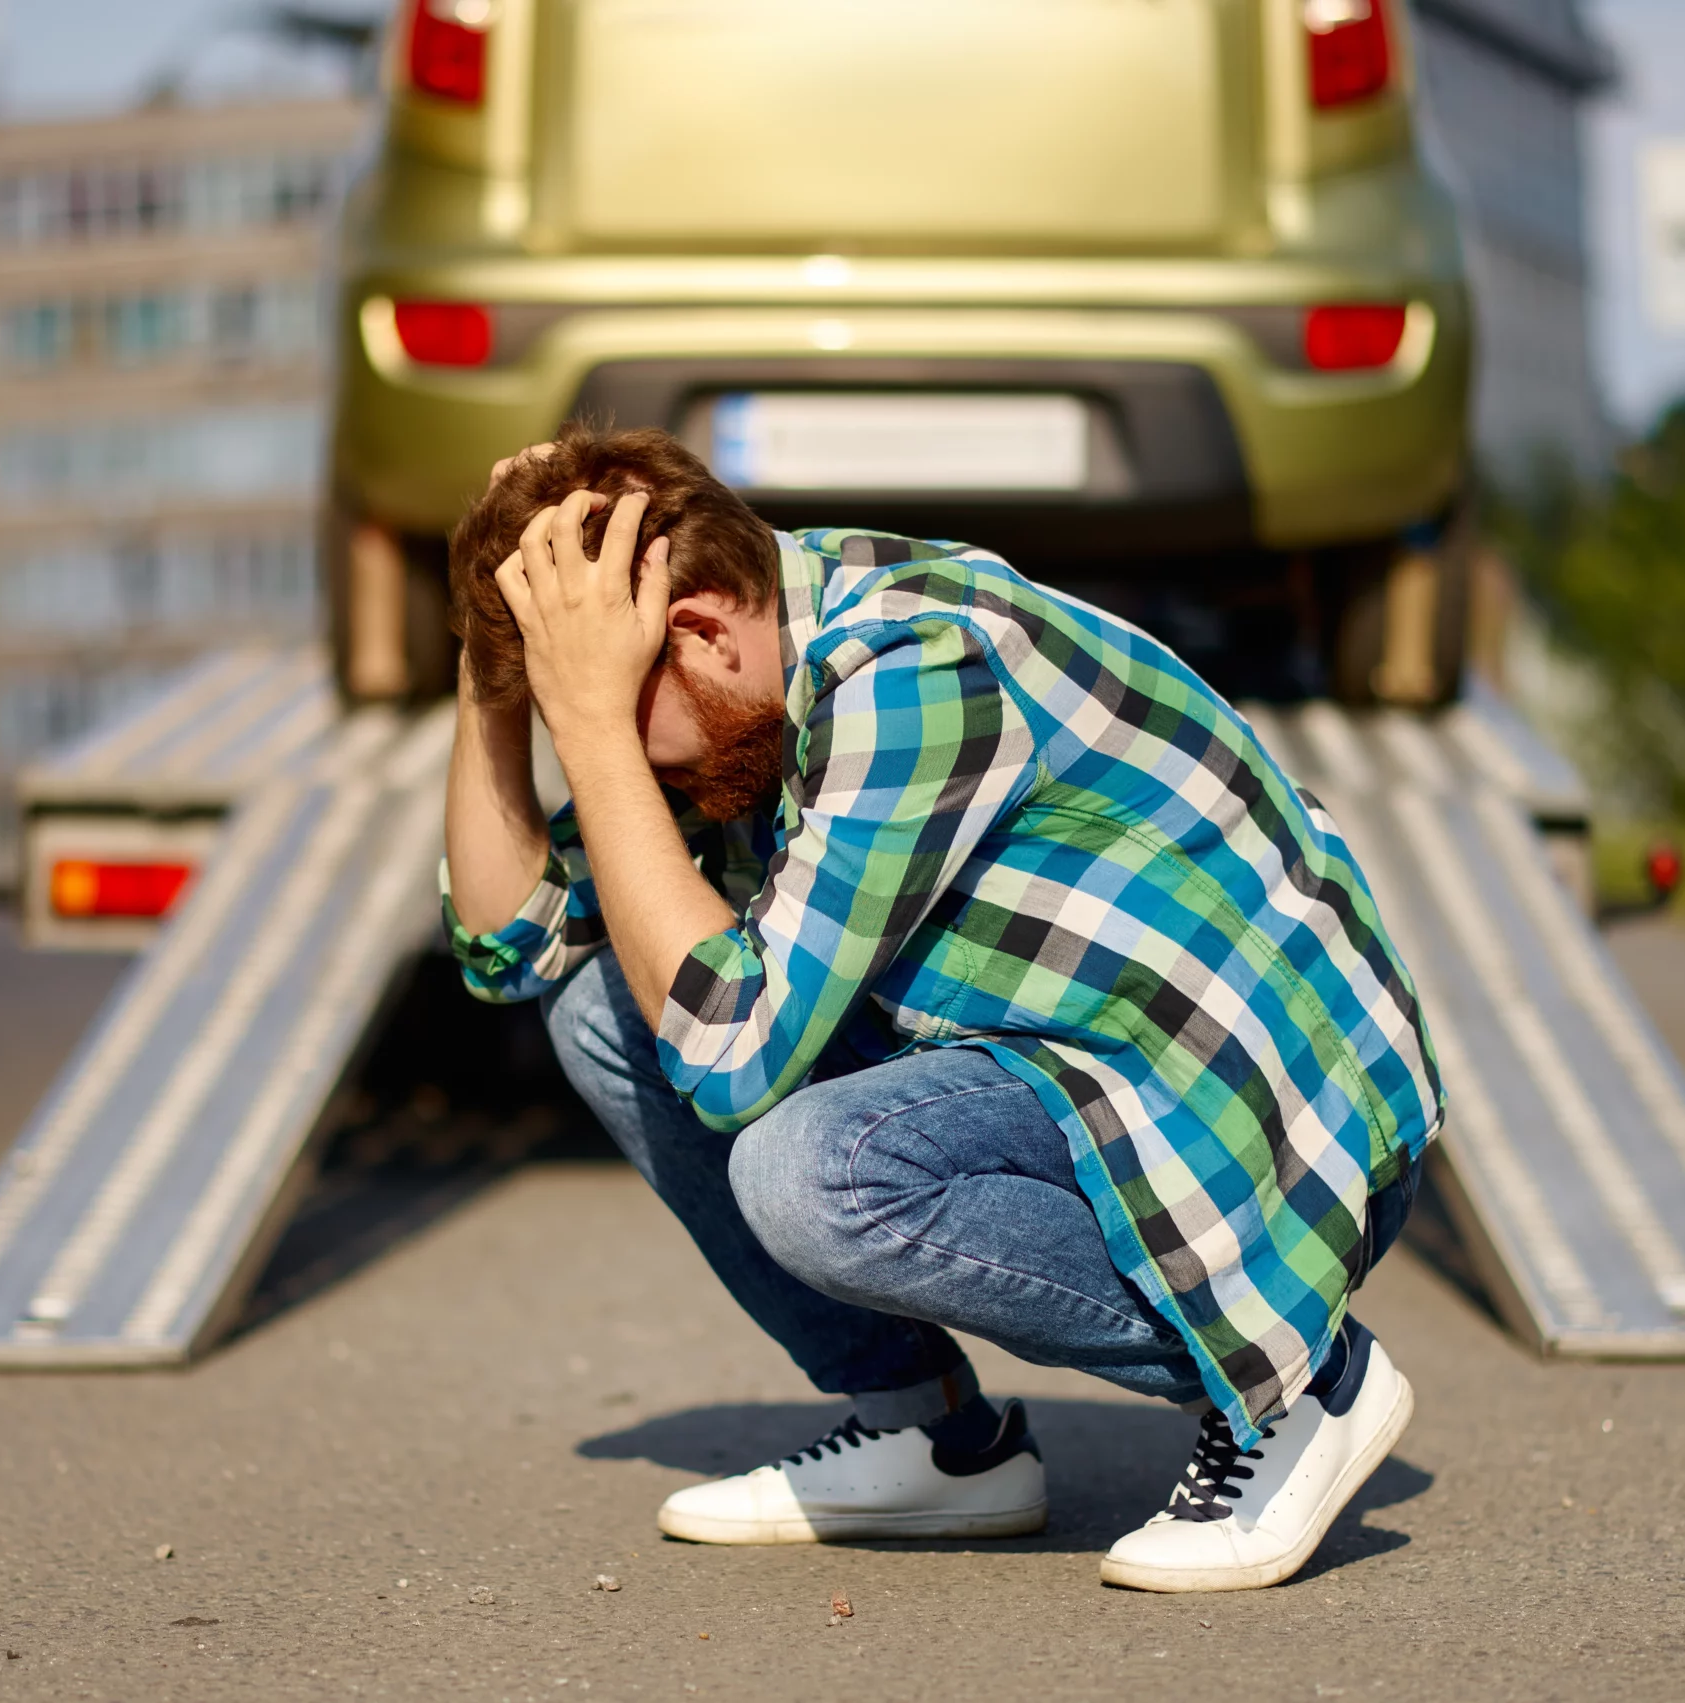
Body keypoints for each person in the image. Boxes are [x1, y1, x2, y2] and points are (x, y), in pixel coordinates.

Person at [439, 424, 1443, 1593]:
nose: (622, 773)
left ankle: (1296, 1373)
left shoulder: (915, 665)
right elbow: (512, 948)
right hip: (1053, 1061)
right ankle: (935, 1440)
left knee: (813, 1170)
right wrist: (495, 662)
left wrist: (598, 729)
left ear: (701, 630)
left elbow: (729, 1057)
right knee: (603, 1006)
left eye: (599, 718)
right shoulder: (756, 674)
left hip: (1250, 1124)